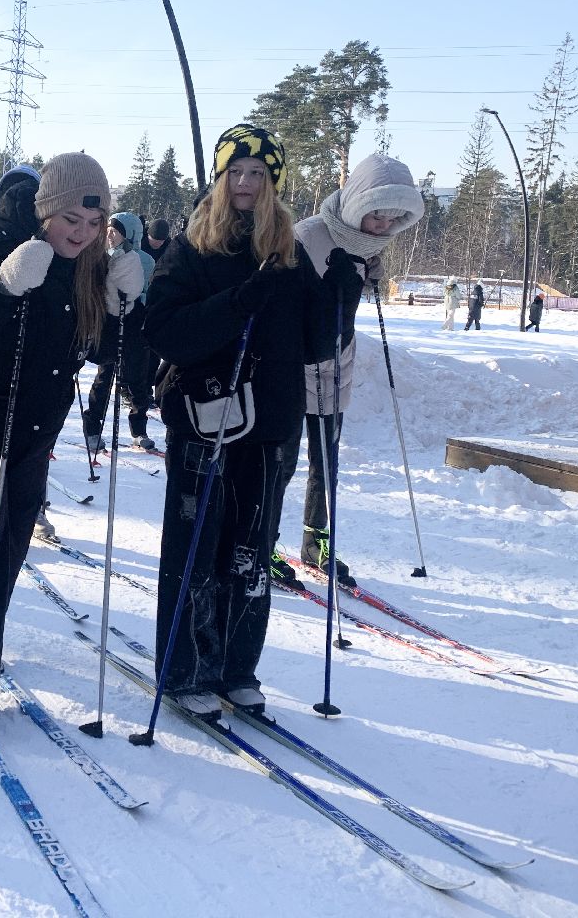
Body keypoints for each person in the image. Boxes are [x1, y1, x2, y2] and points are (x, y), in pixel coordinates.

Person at [0, 154, 143, 730]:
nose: (83, 232)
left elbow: (101, 353)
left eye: (94, 224)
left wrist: (124, 307)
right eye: (72, 218)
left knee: (12, 543)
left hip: (32, 429)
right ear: (46, 208)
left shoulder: (88, 265)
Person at [142, 124, 315, 721]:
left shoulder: (288, 248)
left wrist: (339, 292)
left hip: (268, 424)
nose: (245, 184)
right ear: (219, 179)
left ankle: (238, 665)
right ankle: (187, 666)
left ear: (273, 185)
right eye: (235, 172)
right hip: (204, 419)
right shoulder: (190, 247)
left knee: (251, 551)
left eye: (258, 175)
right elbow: (165, 331)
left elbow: (312, 342)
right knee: (197, 546)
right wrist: (240, 300)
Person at [270, 153, 424, 588]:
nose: (382, 226)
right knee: (280, 463)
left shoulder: (369, 244)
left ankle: (316, 542)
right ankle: (261, 543)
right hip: (293, 365)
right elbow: (285, 302)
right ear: (358, 202)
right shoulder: (307, 235)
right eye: (376, 214)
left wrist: (370, 277)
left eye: (393, 218)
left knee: (326, 461)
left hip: (338, 365)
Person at [83, 212, 157, 452]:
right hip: (111, 323)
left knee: (138, 379)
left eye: (116, 231)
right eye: (108, 231)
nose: (110, 235)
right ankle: (92, 426)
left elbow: (148, 289)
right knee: (105, 375)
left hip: (136, 323)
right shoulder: (102, 257)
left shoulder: (145, 260)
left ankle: (139, 429)